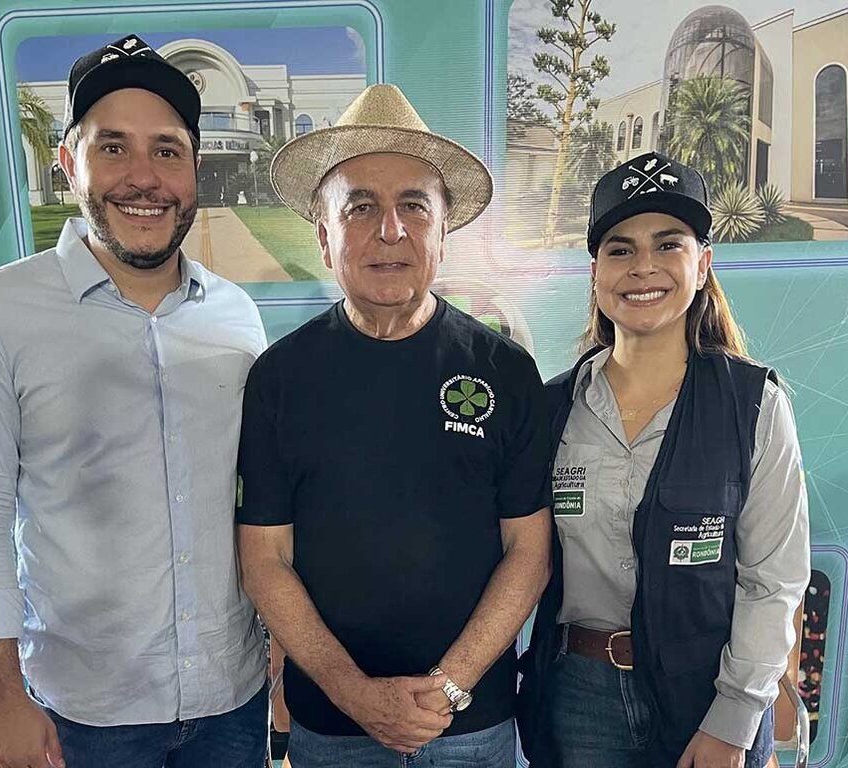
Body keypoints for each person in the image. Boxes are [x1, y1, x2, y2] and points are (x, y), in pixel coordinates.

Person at [0, 34, 268, 768]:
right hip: (84, 712)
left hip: (231, 699)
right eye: (112, 148)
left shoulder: (237, 316)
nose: (143, 178)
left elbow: (261, 503)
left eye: (168, 150)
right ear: (69, 163)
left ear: (195, 169)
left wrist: (277, 656)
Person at [235, 83, 553, 768]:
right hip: (332, 727)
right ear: (324, 237)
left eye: (414, 205)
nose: (390, 229)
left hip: (473, 726)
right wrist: (355, 695)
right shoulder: (279, 379)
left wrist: (447, 687)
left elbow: (528, 551)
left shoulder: (504, 371)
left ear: (443, 232)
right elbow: (265, 560)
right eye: (360, 208)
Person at [518, 152, 810, 768]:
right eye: (620, 249)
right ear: (594, 272)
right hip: (579, 699)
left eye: (667, 244)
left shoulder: (753, 403)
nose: (642, 266)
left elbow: (773, 579)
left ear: (703, 265)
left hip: (708, 694)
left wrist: (734, 718)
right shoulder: (551, 410)